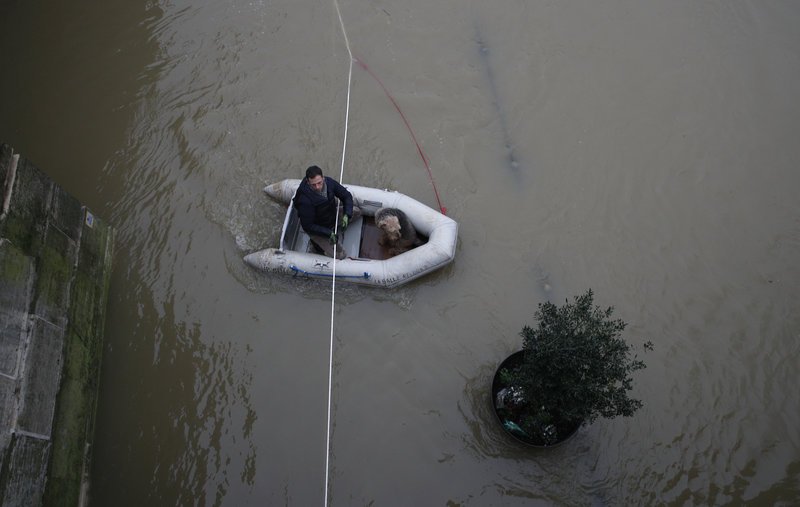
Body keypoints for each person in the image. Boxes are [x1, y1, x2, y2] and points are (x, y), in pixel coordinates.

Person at [293, 165, 361, 259]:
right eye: (313, 184)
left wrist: (347, 215)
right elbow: (308, 226)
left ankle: (336, 226)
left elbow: (346, 196)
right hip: (318, 229)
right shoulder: (305, 201)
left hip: (331, 216)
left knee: (356, 212)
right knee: (341, 255)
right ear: (308, 182)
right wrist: (328, 233)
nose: (317, 187)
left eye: (319, 183)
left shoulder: (329, 183)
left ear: (323, 178)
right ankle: (317, 249)